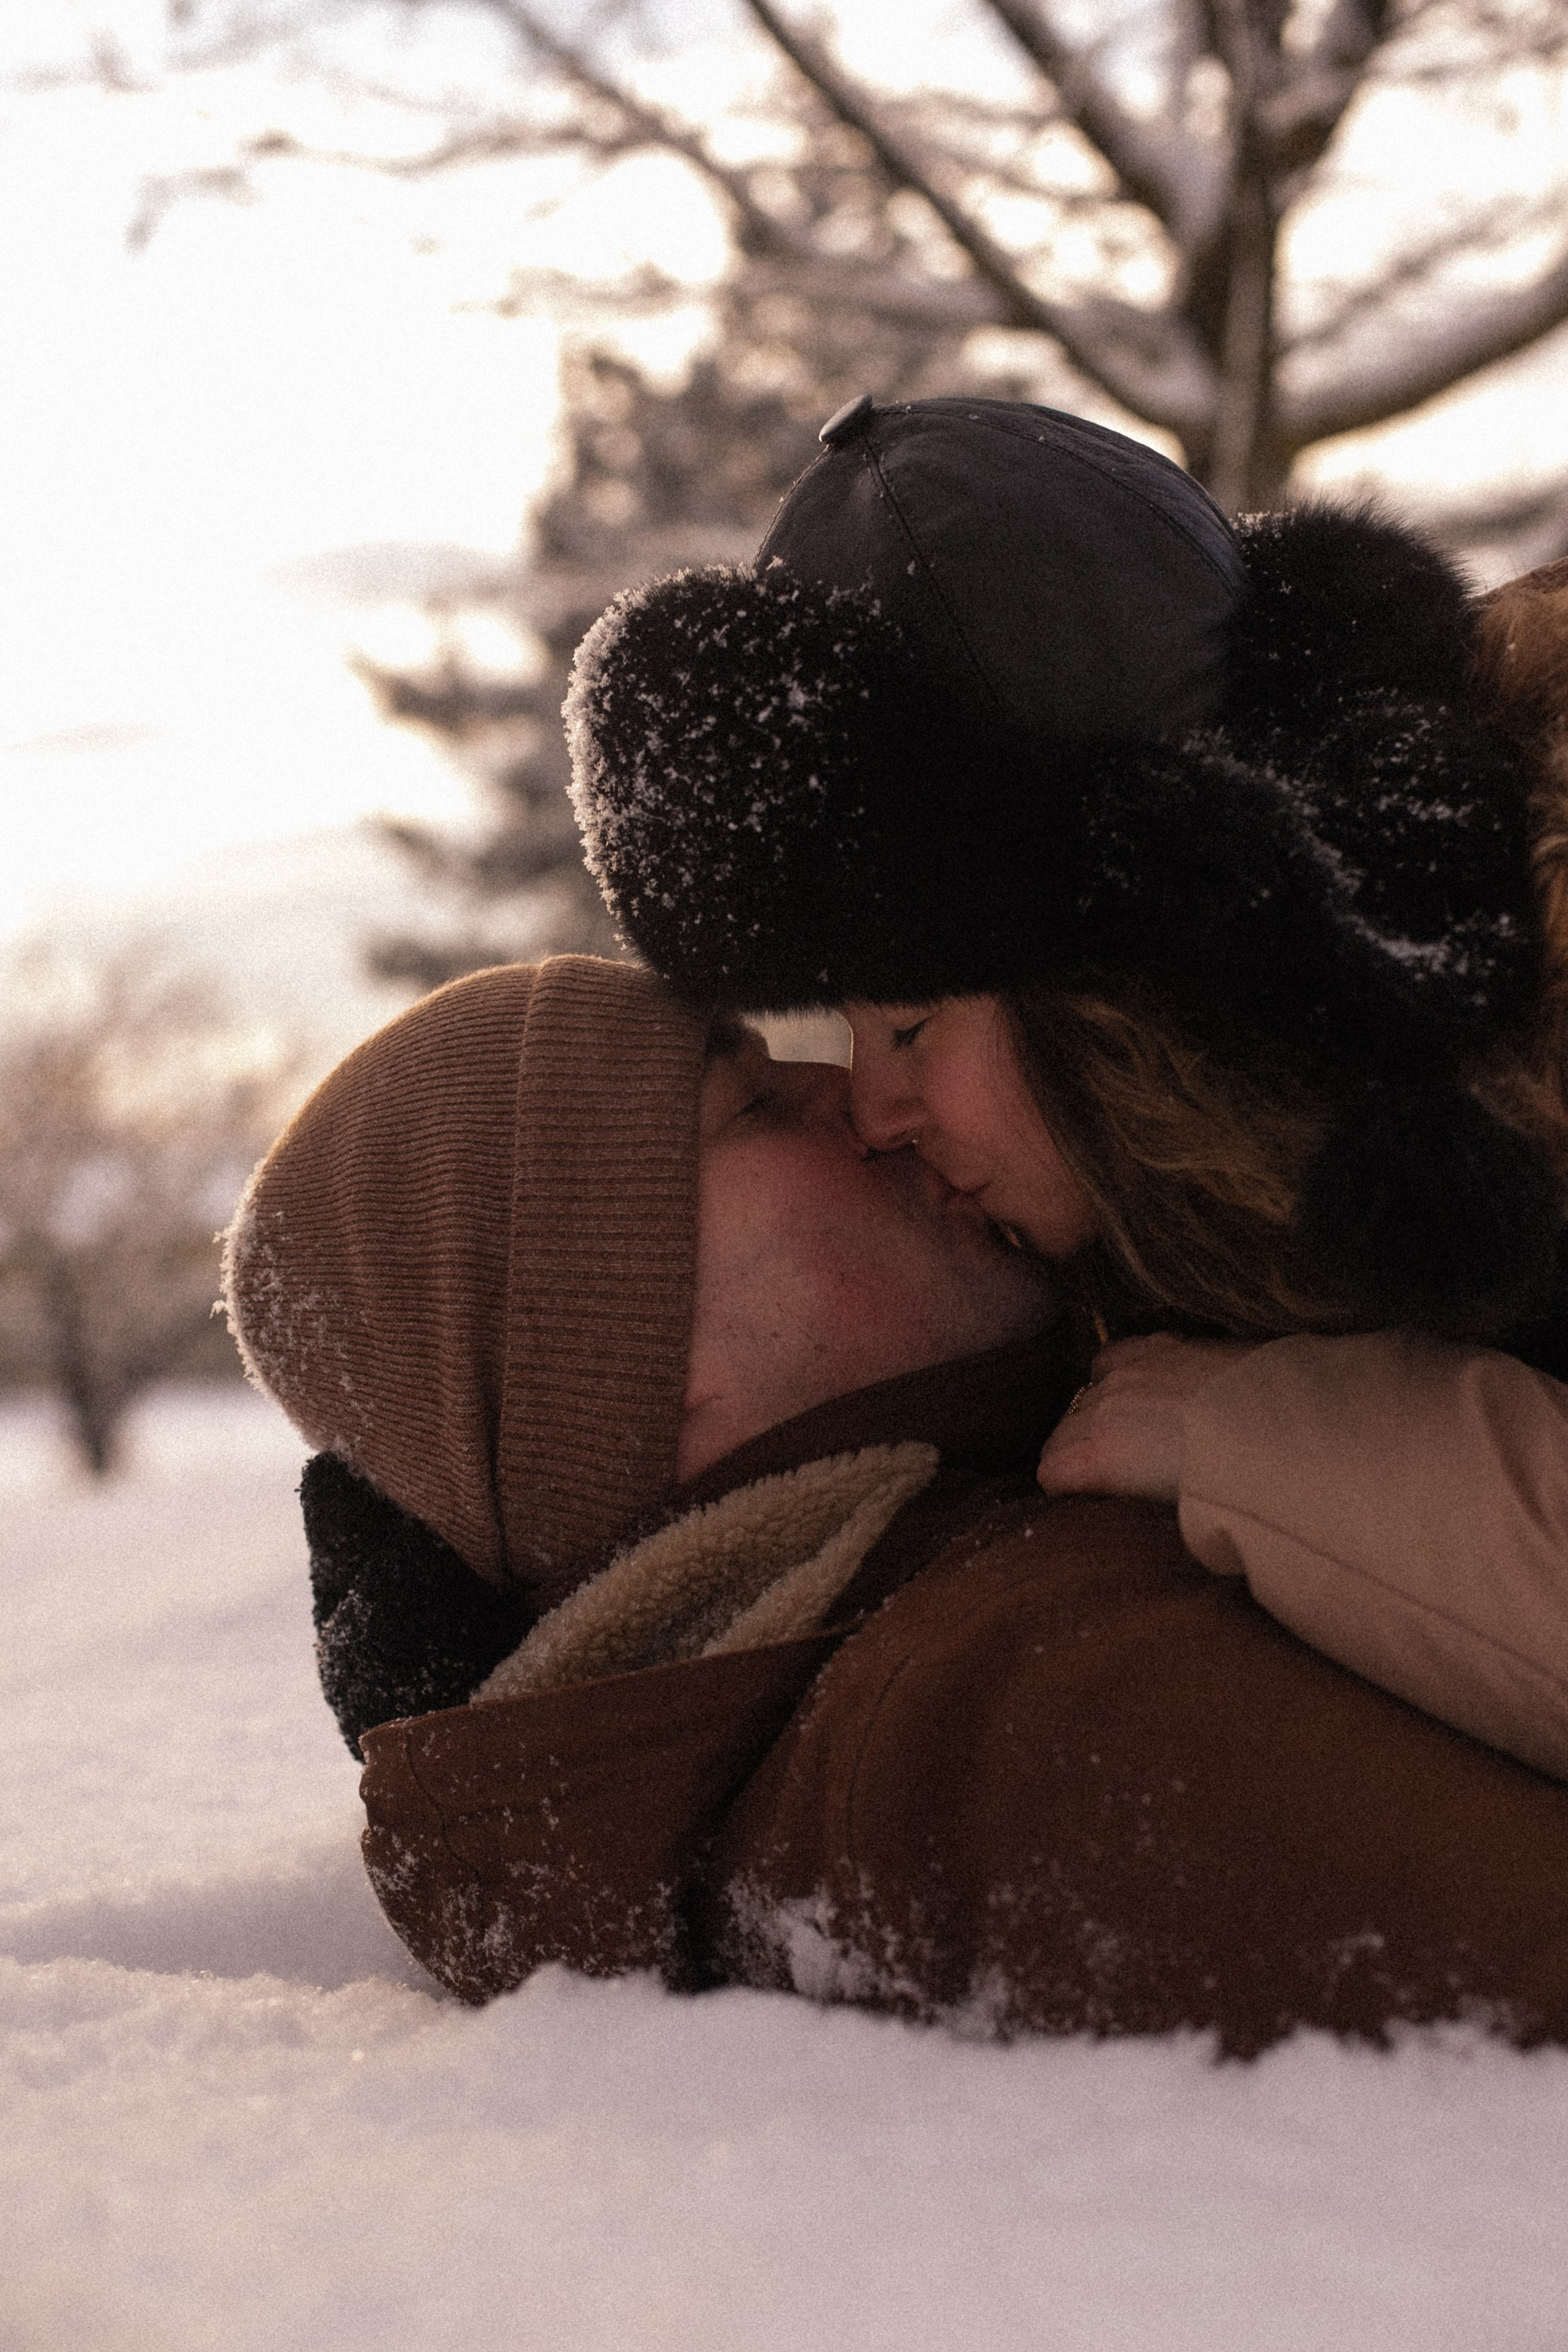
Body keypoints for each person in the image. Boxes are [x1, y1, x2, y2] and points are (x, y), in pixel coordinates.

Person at [224, 954, 1568, 2049]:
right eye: (751, 1106)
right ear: (629, 1362)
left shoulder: (978, 1583)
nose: (856, 1102)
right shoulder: (1020, 1710)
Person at [564, 397, 1568, 1781]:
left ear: (1146, 963)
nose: (869, 1115)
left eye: (910, 1026)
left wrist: (1261, 1443)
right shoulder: (1193, 1223)